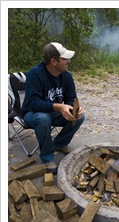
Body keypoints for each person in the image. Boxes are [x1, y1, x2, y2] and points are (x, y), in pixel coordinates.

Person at [21, 42, 85, 173]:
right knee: (43, 119)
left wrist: (75, 110)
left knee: (80, 117)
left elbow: (71, 98)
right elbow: (33, 103)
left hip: (54, 113)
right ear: (53, 61)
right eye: (65, 59)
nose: (68, 62)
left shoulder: (66, 76)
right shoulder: (35, 74)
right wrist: (58, 107)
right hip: (32, 113)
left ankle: (59, 144)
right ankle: (47, 157)